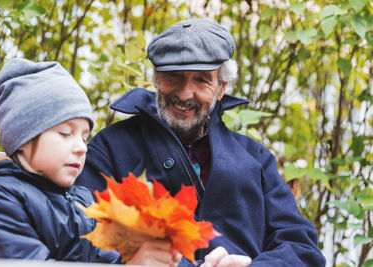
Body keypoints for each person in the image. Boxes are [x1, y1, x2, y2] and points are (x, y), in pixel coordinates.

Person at [76, 18, 326, 266]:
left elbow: (301, 247)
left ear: (221, 88)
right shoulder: (110, 149)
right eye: (173, 76)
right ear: (155, 80)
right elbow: (81, 235)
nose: (185, 93)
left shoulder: (255, 158)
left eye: (202, 80)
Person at [0, 58, 180, 266]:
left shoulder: (82, 200)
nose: (82, 148)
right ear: (22, 140)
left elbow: (108, 257)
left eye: (84, 137)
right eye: (65, 133)